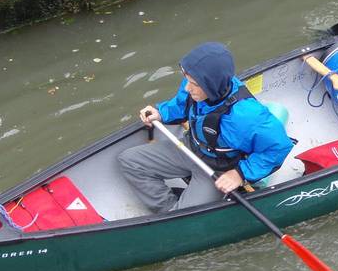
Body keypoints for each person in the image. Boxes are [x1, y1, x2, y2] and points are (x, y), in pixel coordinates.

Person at [118, 42, 294, 212]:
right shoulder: (195, 82)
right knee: (130, 161)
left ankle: (182, 213)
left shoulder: (247, 116)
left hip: (218, 170)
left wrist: (239, 174)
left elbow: (278, 147)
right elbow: (181, 104)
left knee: (184, 219)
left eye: (193, 84)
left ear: (211, 85)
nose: (187, 88)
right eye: (187, 80)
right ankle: (170, 211)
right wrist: (161, 113)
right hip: (190, 149)